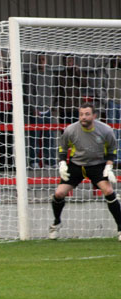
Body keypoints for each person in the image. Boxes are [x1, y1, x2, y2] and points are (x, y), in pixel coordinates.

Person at [50, 103, 121, 241]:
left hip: (97, 165)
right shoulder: (70, 130)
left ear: (94, 116)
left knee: (108, 191)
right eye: (81, 114)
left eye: (87, 114)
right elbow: (62, 148)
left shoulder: (106, 130)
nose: (83, 117)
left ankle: (120, 228)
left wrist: (108, 167)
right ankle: (56, 223)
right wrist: (63, 163)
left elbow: (112, 150)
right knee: (59, 193)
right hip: (77, 165)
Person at [24, 54, 57, 168]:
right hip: (36, 110)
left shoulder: (50, 74)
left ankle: (50, 162)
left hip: (47, 110)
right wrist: (33, 108)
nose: (41, 62)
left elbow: (53, 91)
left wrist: (52, 106)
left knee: (49, 137)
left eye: (43, 59)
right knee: (35, 137)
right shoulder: (31, 74)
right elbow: (28, 92)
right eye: (39, 60)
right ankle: (34, 161)